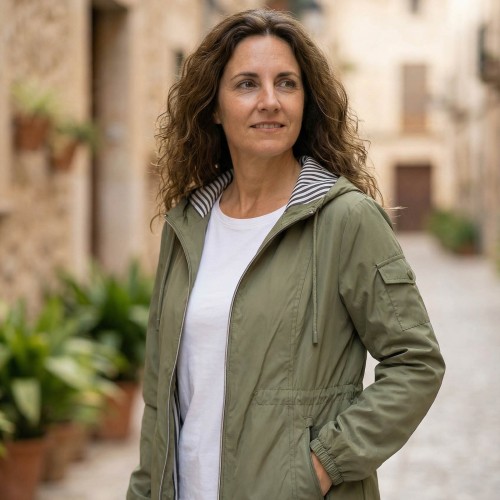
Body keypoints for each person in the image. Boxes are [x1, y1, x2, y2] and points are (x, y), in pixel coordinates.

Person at [127, 8, 445, 500]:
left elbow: (416, 363)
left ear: (305, 101)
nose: (270, 101)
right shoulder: (188, 224)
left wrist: (322, 464)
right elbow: (158, 396)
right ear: (214, 107)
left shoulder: (345, 219)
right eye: (247, 84)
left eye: (287, 84)